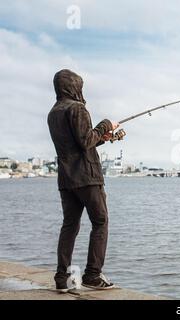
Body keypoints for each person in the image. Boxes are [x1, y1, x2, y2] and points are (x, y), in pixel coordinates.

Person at [47, 69, 119, 292]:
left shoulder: (53, 112)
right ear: (73, 87)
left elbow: (79, 143)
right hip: (87, 177)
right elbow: (85, 140)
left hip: (66, 179)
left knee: (70, 225)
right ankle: (92, 275)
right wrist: (105, 125)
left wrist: (102, 139)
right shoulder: (78, 108)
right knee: (100, 222)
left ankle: (61, 278)